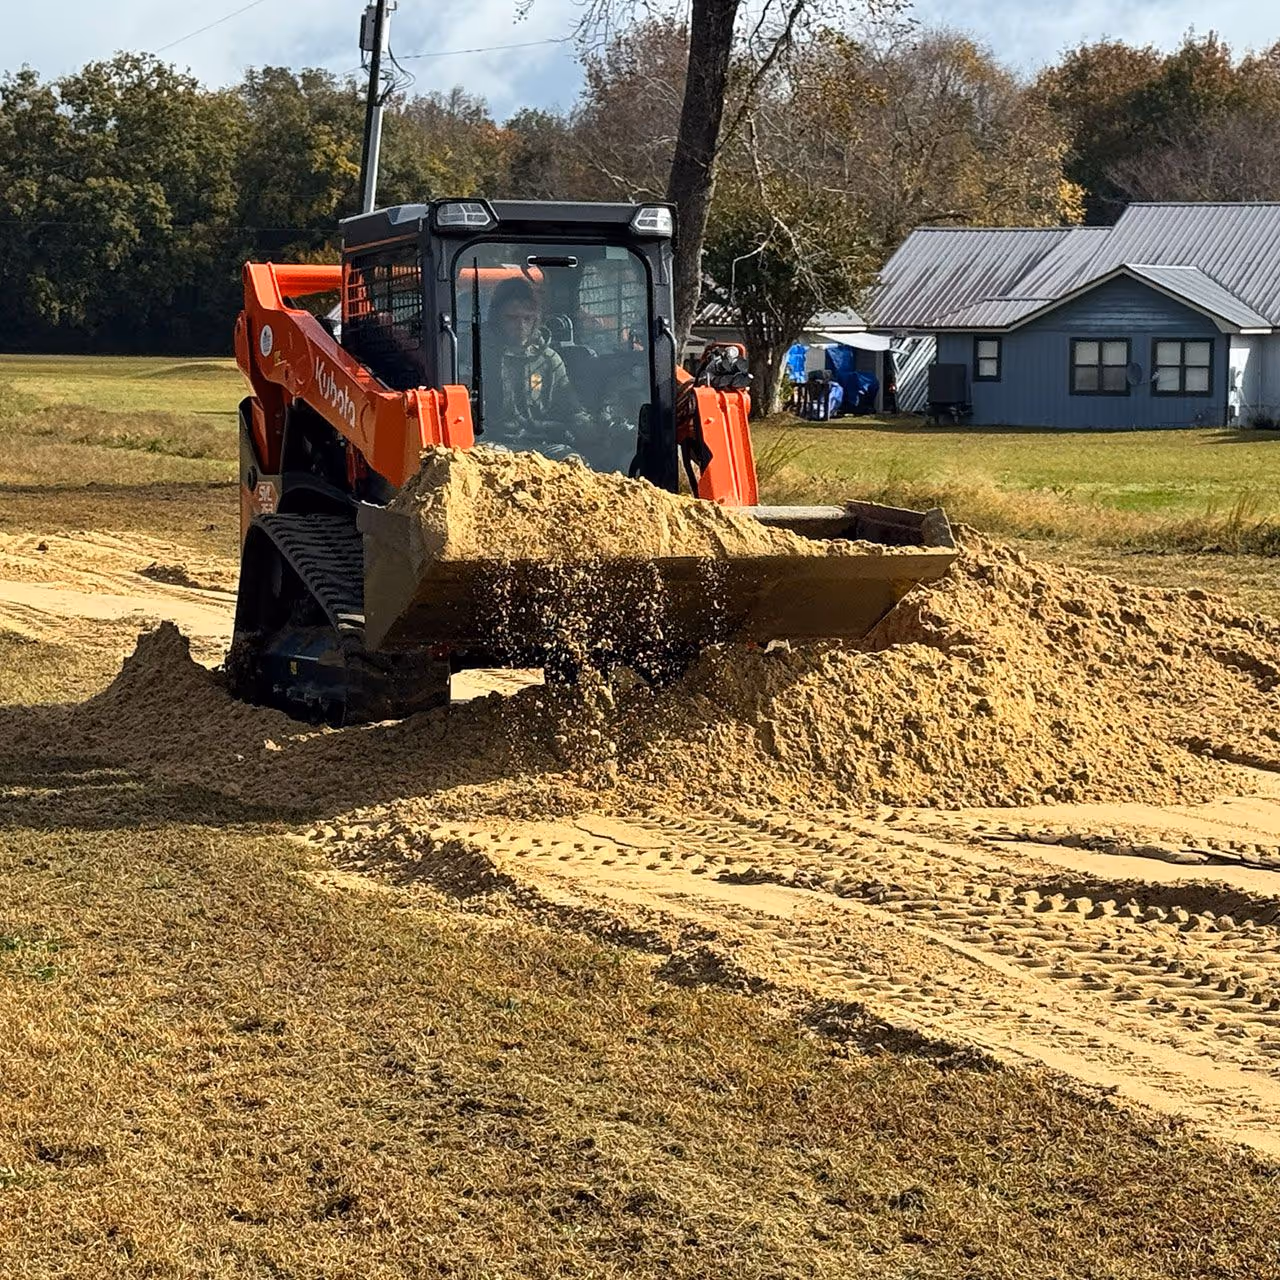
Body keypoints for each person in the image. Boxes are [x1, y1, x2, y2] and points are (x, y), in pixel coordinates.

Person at [482, 277, 591, 446]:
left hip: (542, 445)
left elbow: (571, 409)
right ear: (497, 318)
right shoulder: (478, 355)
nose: (521, 326)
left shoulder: (549, 360)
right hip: (492, 445)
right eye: (512, 318)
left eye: (527, 318)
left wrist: (589, 428)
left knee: (574, 461)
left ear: (537, 319)